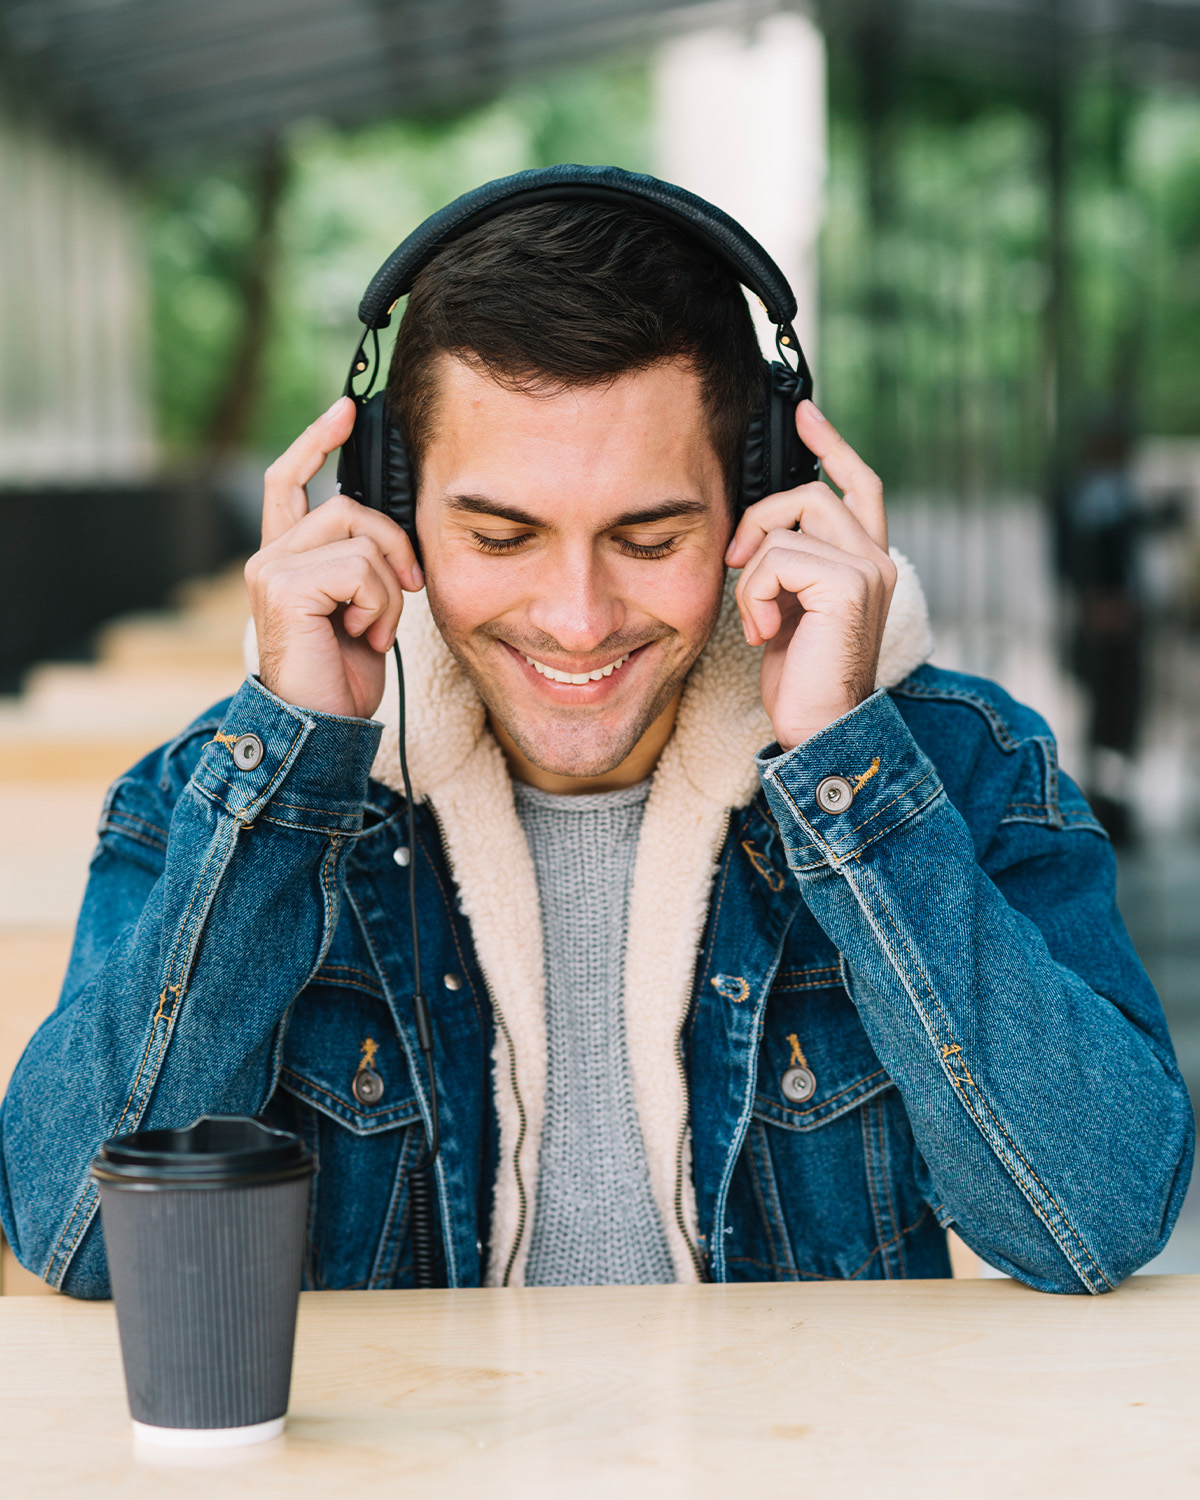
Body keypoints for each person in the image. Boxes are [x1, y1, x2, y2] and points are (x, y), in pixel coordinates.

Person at [1, 190, 1191, 1298]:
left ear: (764, 497)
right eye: (502, 537)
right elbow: (78, 1239)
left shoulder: (955, 767)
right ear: (386, 508)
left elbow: (1093, 1221)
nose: (577, 617)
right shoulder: (211, 799)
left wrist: (843, 764)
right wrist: (292, 763)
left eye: (649, 535)